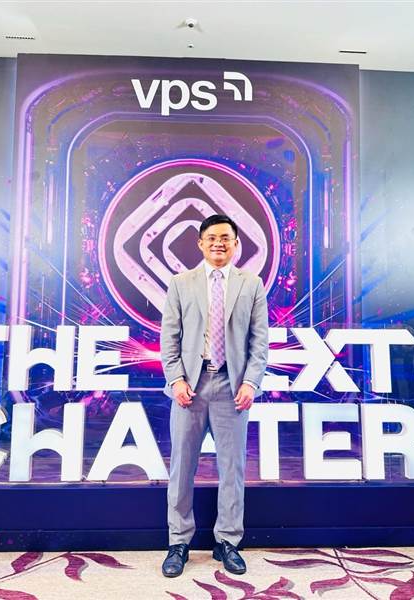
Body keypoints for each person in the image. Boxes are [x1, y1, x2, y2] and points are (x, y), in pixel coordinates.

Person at [160, 214, 269, 577]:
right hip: (189, 388)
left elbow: (260, 341)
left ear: (236, 244)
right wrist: (176, 379)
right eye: (211, 238)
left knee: (232, 469)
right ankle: (178, 543)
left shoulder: (252, 284)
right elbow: (169, 337)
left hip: (231, 387)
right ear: (200, 243)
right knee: (181, 468)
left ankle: (228, 542)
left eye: (225, 238)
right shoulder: (180, 283)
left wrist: (250, 382)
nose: (218, 243)